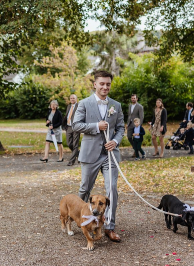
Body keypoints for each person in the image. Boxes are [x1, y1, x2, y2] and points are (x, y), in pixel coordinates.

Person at [72, 70, 125, 242]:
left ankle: (109, 226)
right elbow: (76, 125)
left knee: (112, 190)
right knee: (84, 189)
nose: (105, 87)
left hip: (110, 155)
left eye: (108, 84)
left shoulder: (116, 105)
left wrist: (115, 142)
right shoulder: (84, 103)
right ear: (95, 84)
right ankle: (81, 219)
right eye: (102, 84)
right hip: (90, 154)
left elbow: (121, 128)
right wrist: (96, 126)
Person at [62, 94, 80, 166]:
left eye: (73, 98)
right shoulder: (69, 106)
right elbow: (67, 116)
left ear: (76, 99)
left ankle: (71, 161)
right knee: (69, 143)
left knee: (75, 145)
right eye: (71, 98)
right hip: (68, 127)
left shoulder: (79, 106)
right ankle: (79, 155)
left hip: (76, 127)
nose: (72, 99)